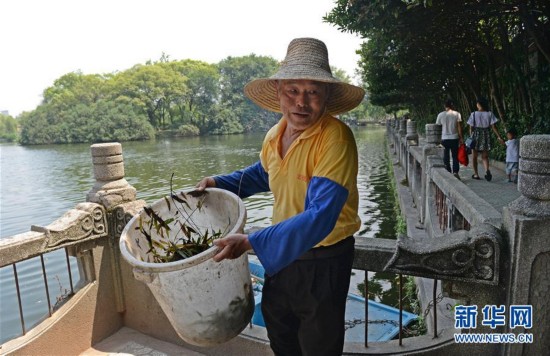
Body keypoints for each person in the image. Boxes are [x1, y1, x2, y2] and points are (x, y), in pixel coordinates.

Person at [196, 38, 365, 356]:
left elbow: (320, 216)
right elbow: (263, 174)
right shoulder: (276, 133)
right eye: (293, 90)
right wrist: (218, 182)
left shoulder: (335, 139)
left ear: (326, 96)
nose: (302, 102)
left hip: (323, 260)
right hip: (283, 256)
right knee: (280, 329)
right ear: (278, 92)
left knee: (319, 345)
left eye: (313, 92)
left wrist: (251, 241)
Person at [466, 98, 504, 181]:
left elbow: (471, 128)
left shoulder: (473, 114)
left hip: (476, 136)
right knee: (485, 156)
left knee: (474, 157)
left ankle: (476, 174)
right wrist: (499, 137)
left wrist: (470, 136)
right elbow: (494, 127)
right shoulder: (489, 114)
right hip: (486, 135)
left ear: (479, 104)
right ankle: (487, 170)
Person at [436, 99, 463, 179]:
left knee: (446, 156)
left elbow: (438, 127)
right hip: (454, 138)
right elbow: (459, 127)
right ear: (452, 105)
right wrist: (461, 137)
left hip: (444, 138)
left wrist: (438, 140)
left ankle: (448, 171)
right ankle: (455, 172)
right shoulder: (457, 114)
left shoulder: (440, 115)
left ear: (445, 106)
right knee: (455, 156)